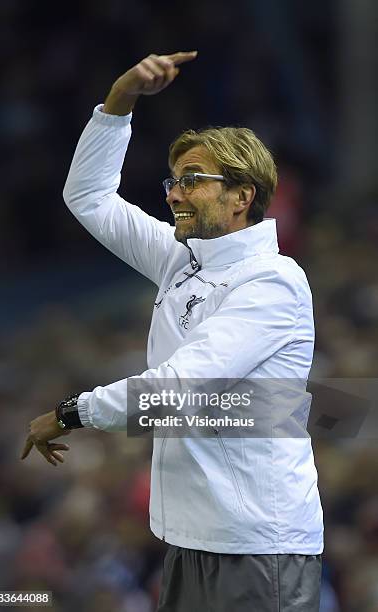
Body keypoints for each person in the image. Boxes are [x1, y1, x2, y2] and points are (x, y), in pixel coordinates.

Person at [21, 51, 323, 611]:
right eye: (173, 180)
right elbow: (88, 197)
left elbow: (177, 389)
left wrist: (71, 413)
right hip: (190, 537)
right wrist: (121, 99)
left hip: (258, 544)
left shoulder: (272, 282)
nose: (173, 193)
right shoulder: (180, 259)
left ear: (242, 196)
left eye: (192, 180)